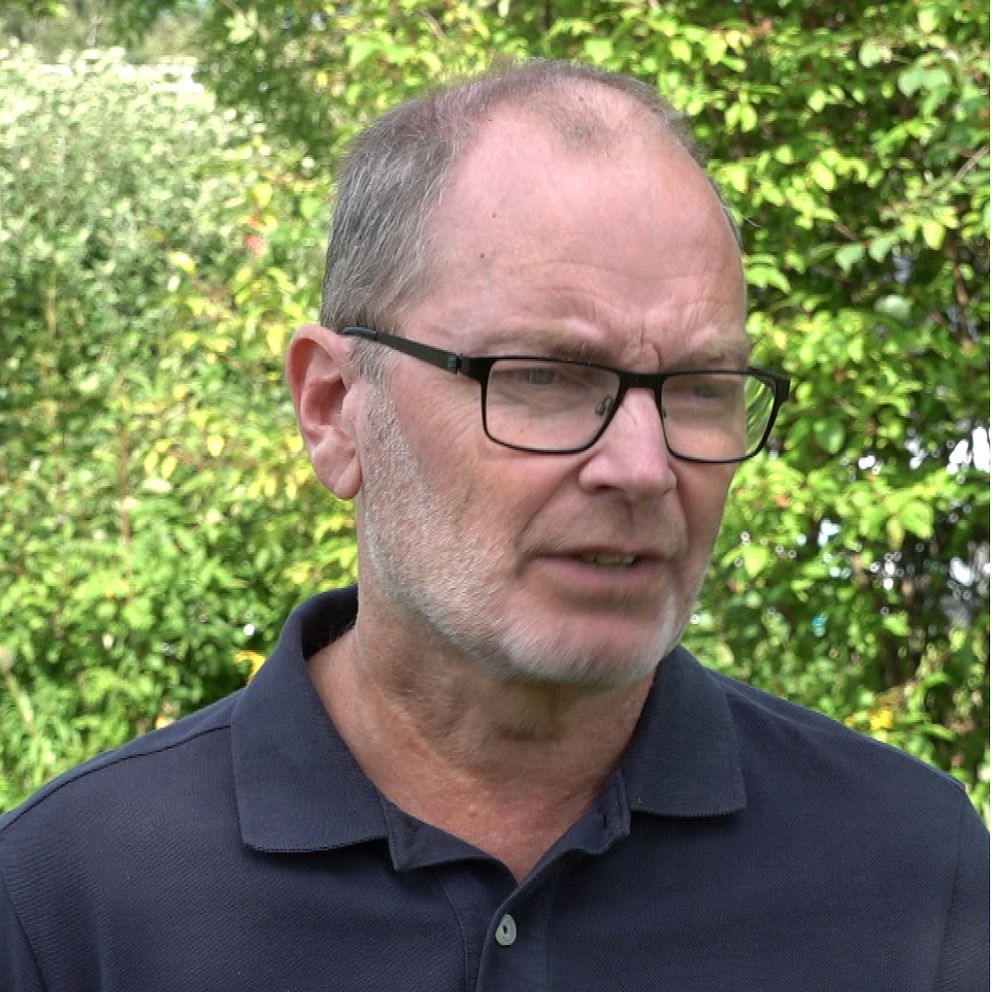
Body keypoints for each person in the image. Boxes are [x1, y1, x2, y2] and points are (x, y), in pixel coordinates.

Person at [0, 59, 987, 991]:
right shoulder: (67, 901)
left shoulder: (909, 873)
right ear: (334, 409)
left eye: (699, 387)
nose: (643, 467)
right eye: (544, 376)